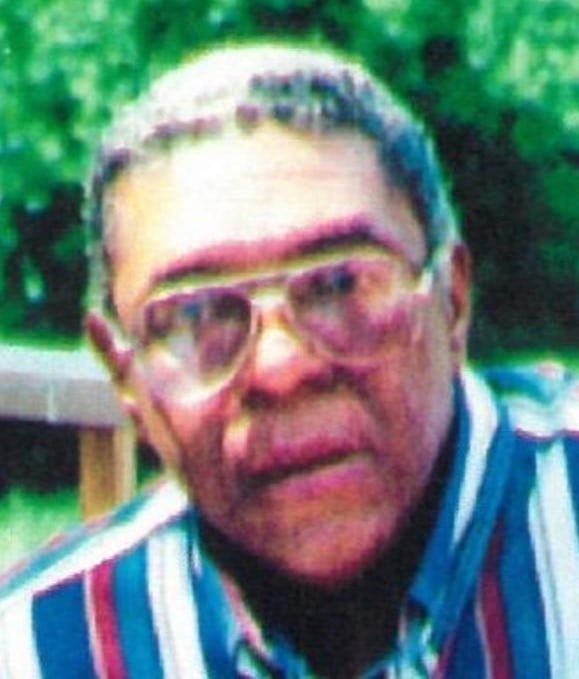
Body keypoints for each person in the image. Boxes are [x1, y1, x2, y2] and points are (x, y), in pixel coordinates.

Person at [1, 42, 578, 679]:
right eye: (199, 314)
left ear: (453, 300)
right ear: (125, 374)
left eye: (340, 285)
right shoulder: (40, 650)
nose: (281, 367)